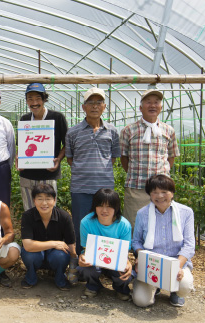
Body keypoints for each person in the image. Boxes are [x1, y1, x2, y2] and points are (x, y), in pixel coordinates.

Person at [65, 88, 121, 248]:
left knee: (105, 224)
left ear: (104, 107)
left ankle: (103, 260)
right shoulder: (73, 132)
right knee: (80, 223)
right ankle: (80, 258)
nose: (94, 106)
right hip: (80, 187)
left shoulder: (112, 131)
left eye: (99, 103)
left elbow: (114, 158)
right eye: (90, 103)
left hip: (105, 188)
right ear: (84, 107)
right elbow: (70, 158)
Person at [131, 175, 195, 307]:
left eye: (164, 192)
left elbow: (189, 245)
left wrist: (177, 266)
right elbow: (136, 241)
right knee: (141, 301)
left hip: (177, 263)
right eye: (154, 192)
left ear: (172, 193)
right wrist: (141, 256)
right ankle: (156, 287)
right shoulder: (142, 214)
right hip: (152, 264)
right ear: (149, 194)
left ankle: (175, 292)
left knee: (184, 285)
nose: (159, 196)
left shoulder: (186, 212)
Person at [120, 89, 180, 226]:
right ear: (141, 107)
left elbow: (171, 156)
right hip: (136, 187)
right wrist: (135, 173)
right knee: (135, 224)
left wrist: (162, 177)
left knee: (162, 224)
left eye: (156, 102)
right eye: (148, 102)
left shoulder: (168, 130)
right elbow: (124, 158)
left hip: (162, 189)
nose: (152, 105)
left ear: (161, 107)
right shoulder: (129, 130)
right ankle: (135, 248)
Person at [17, 83, 68, 210]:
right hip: (27, 175)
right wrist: (18, 159)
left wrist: (58, 160)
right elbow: (22, 146)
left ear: (44, 99)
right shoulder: (25, 119)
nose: (34, 102)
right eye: (30, 99)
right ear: (27, 101)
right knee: (29, 211)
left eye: (38, 98)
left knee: (48, 211)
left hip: (48, 175)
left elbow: (67, 144)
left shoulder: (57, 118)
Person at [77, 188, 133, 300]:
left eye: (109, 206)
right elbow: (86, 248)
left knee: (125, 271)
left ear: (116, 208)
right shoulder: (86, 222)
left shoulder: (124, 225)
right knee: (85, 269)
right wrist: (82, 257)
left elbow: (124, 253)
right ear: (94, 206)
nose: (104, 210)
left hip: (116, 259)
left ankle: (121, 288)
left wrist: (128, 263)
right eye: (100, 205)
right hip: (95, 260)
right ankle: (93, 286)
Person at [19, 183, 75, 290]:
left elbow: (71, 244)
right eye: (40, 199)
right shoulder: (27, 216)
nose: (44, 203)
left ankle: (60, 279)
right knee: (30, 255)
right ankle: (30, 277)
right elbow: (28, 245)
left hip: (55, 254)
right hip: (35, 253)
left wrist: (74, 265)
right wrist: (54, 243)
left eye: (48, 199)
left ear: (54, 200)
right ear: (34, 201)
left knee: (62, 255)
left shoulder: (64, 217)